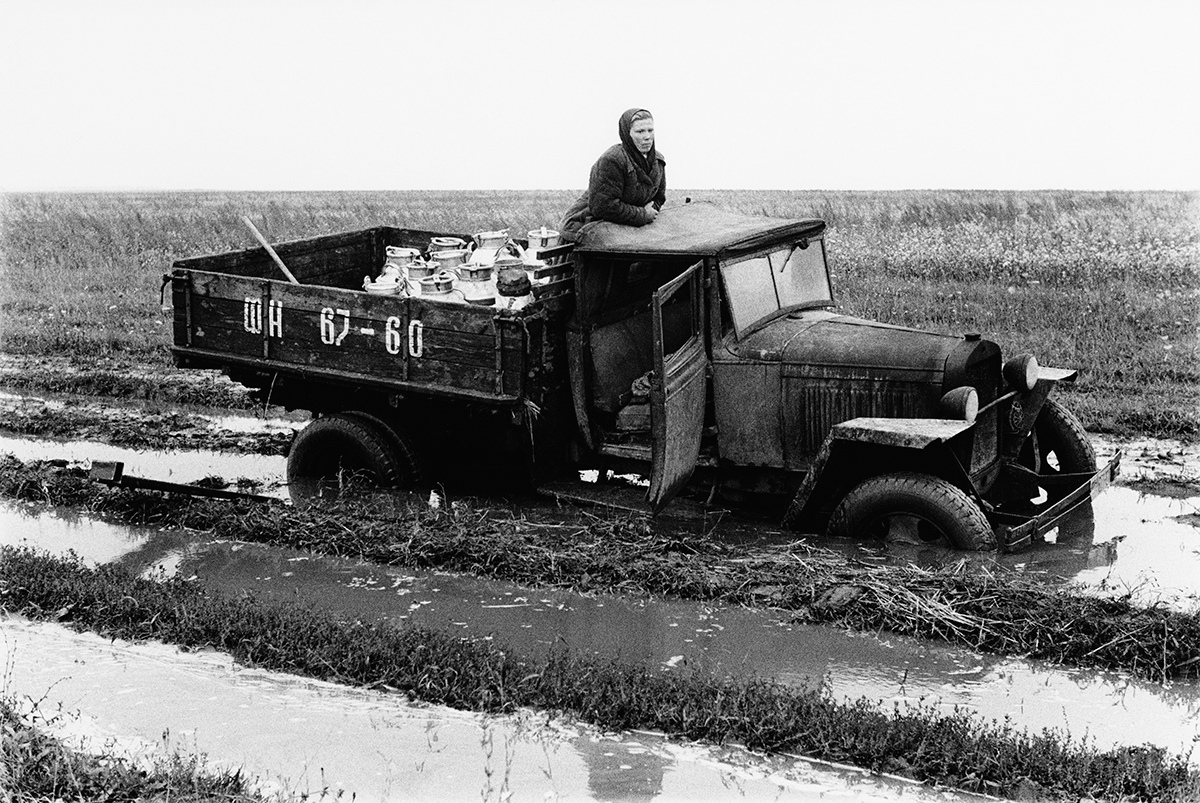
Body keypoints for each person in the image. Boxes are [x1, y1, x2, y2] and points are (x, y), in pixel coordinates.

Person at [559, 108, 666, 242]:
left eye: (650, 130)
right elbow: (603, 207)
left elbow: (659, 198)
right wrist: (642, 215)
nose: (647, 137)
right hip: (587, 227)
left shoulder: (658, 161)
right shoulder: (612, 160)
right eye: (640, 131)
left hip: (624, 227)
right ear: (627, 134)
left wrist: (651, 212)